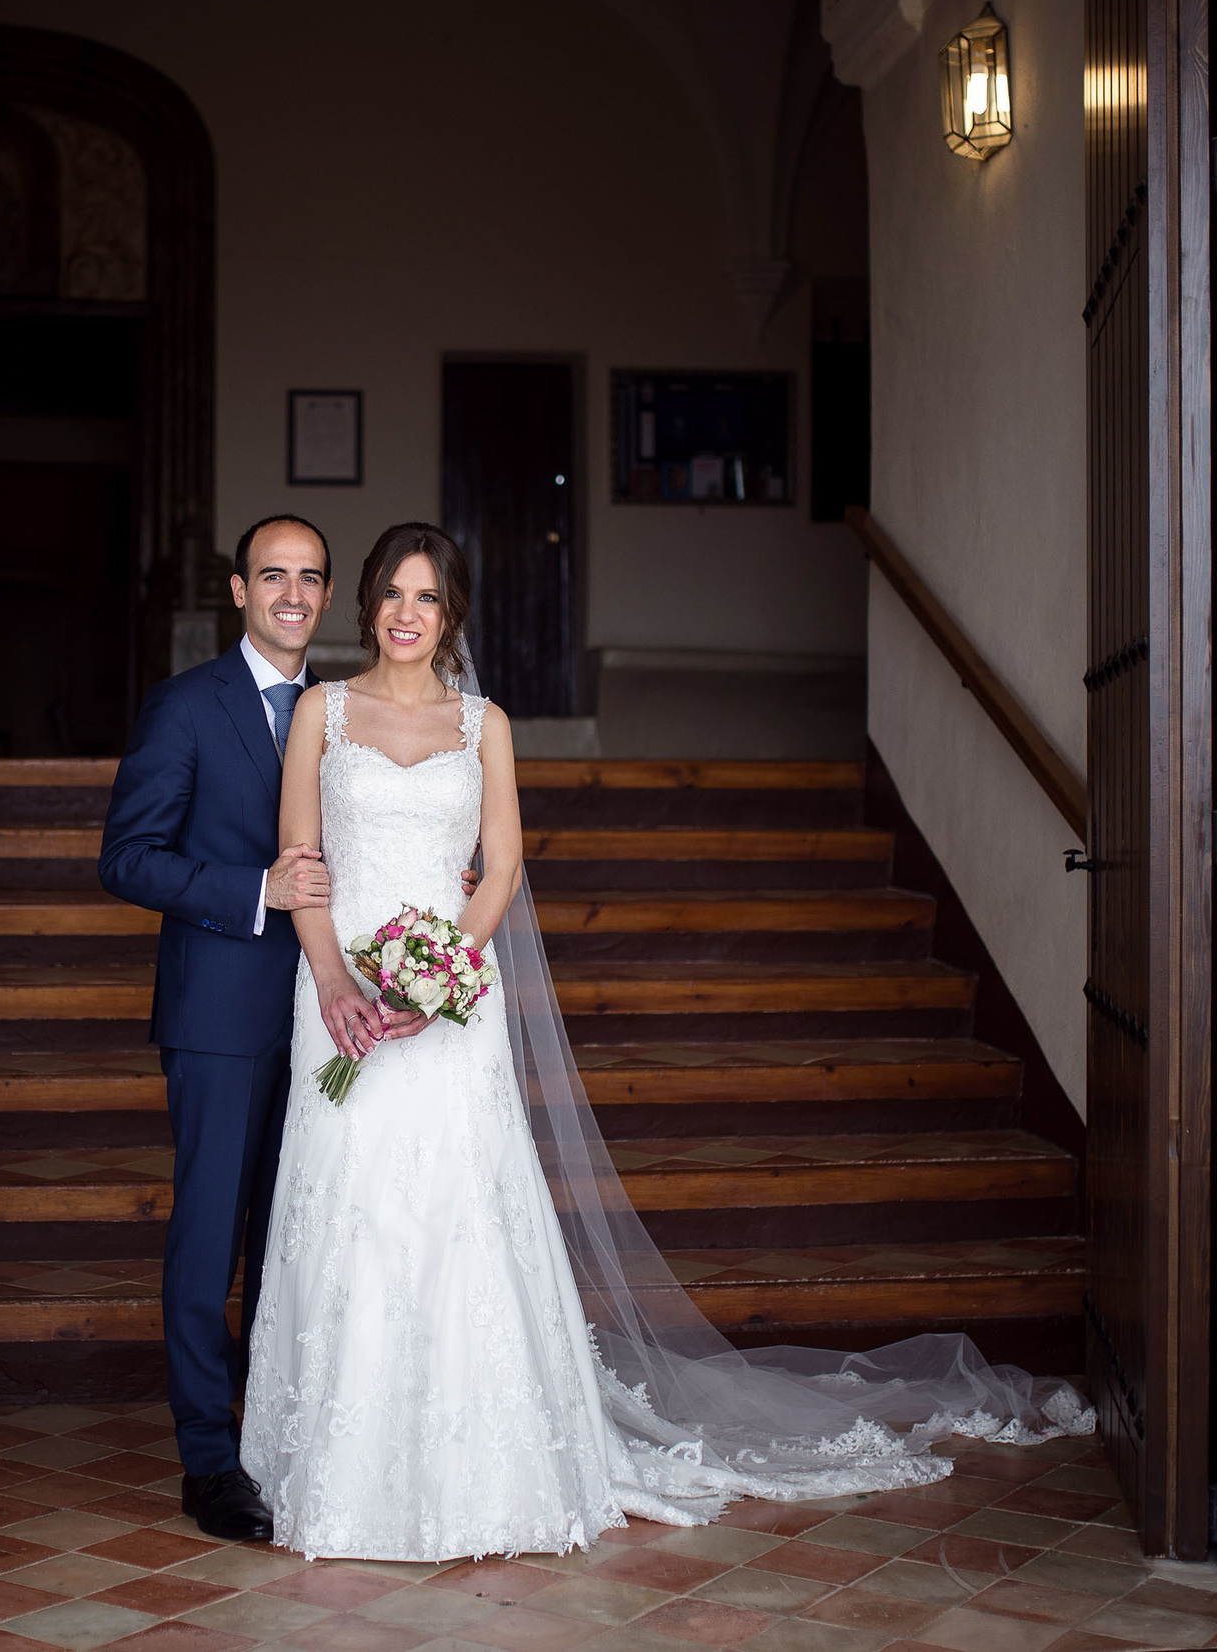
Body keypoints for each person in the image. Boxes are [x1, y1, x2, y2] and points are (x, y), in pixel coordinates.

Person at [240, 522, 1093, 1563]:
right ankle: (339, 1466)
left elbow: (501, 868)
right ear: (365, 603)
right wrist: (337, 979)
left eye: (427, 596)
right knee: (348, 1205)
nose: (406, 614)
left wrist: (444, 971)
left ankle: (479, 1469)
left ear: (451, 611)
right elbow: (301, 859)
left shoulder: (484, 724)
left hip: (448, 995)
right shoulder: (321, 713)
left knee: (458, 1208)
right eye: (391, 593)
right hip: (337, 986)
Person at [98, 515, 363, 1544]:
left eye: (310, 577)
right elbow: (128, 858)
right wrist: (255, 890)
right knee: (211, 1238)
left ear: (326, 594)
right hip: (218, 1011)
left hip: (325, 1012)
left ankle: (276, 1435)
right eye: (272, 576)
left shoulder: (341, 711)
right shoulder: (186, 706)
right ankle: (209, 1459)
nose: (292, 594)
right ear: (239, 590)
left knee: (292, 1235)